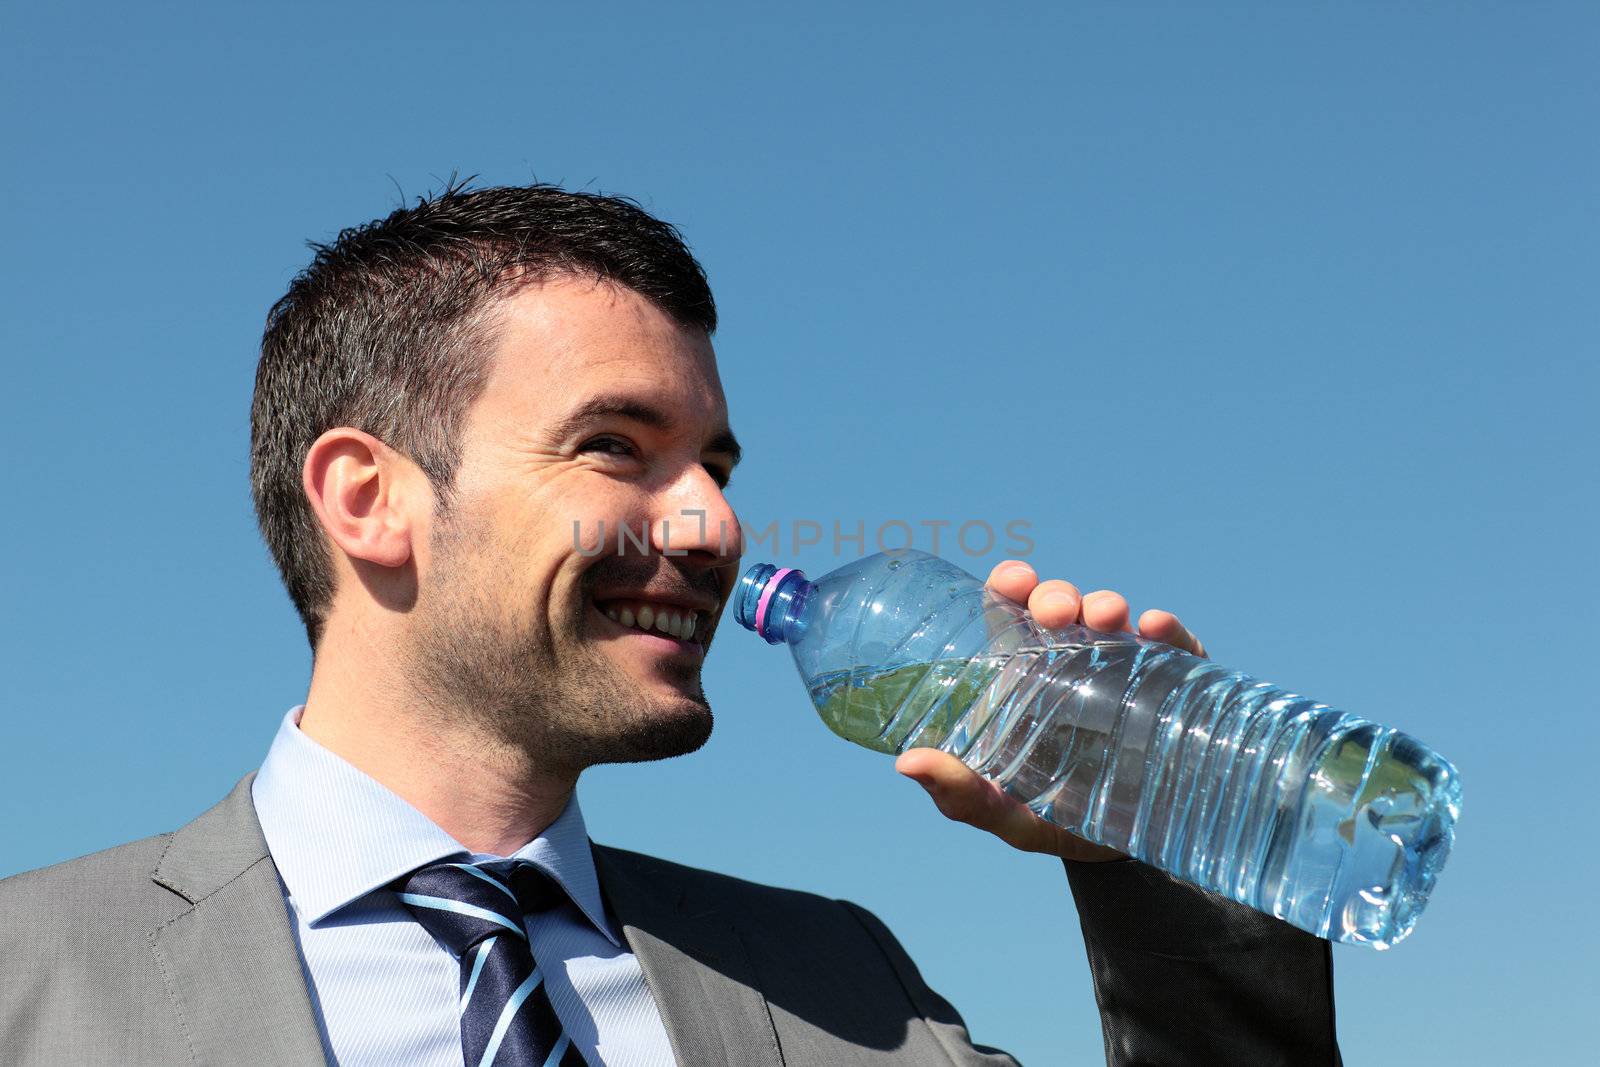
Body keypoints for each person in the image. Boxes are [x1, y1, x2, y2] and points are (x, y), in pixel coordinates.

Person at [0, 183, 1341, 1066]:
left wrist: (1164, 845)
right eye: (615, 447)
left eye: (718, 466)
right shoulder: (32, 982)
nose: (711, 525)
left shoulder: (851, 991)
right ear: (371, 498)